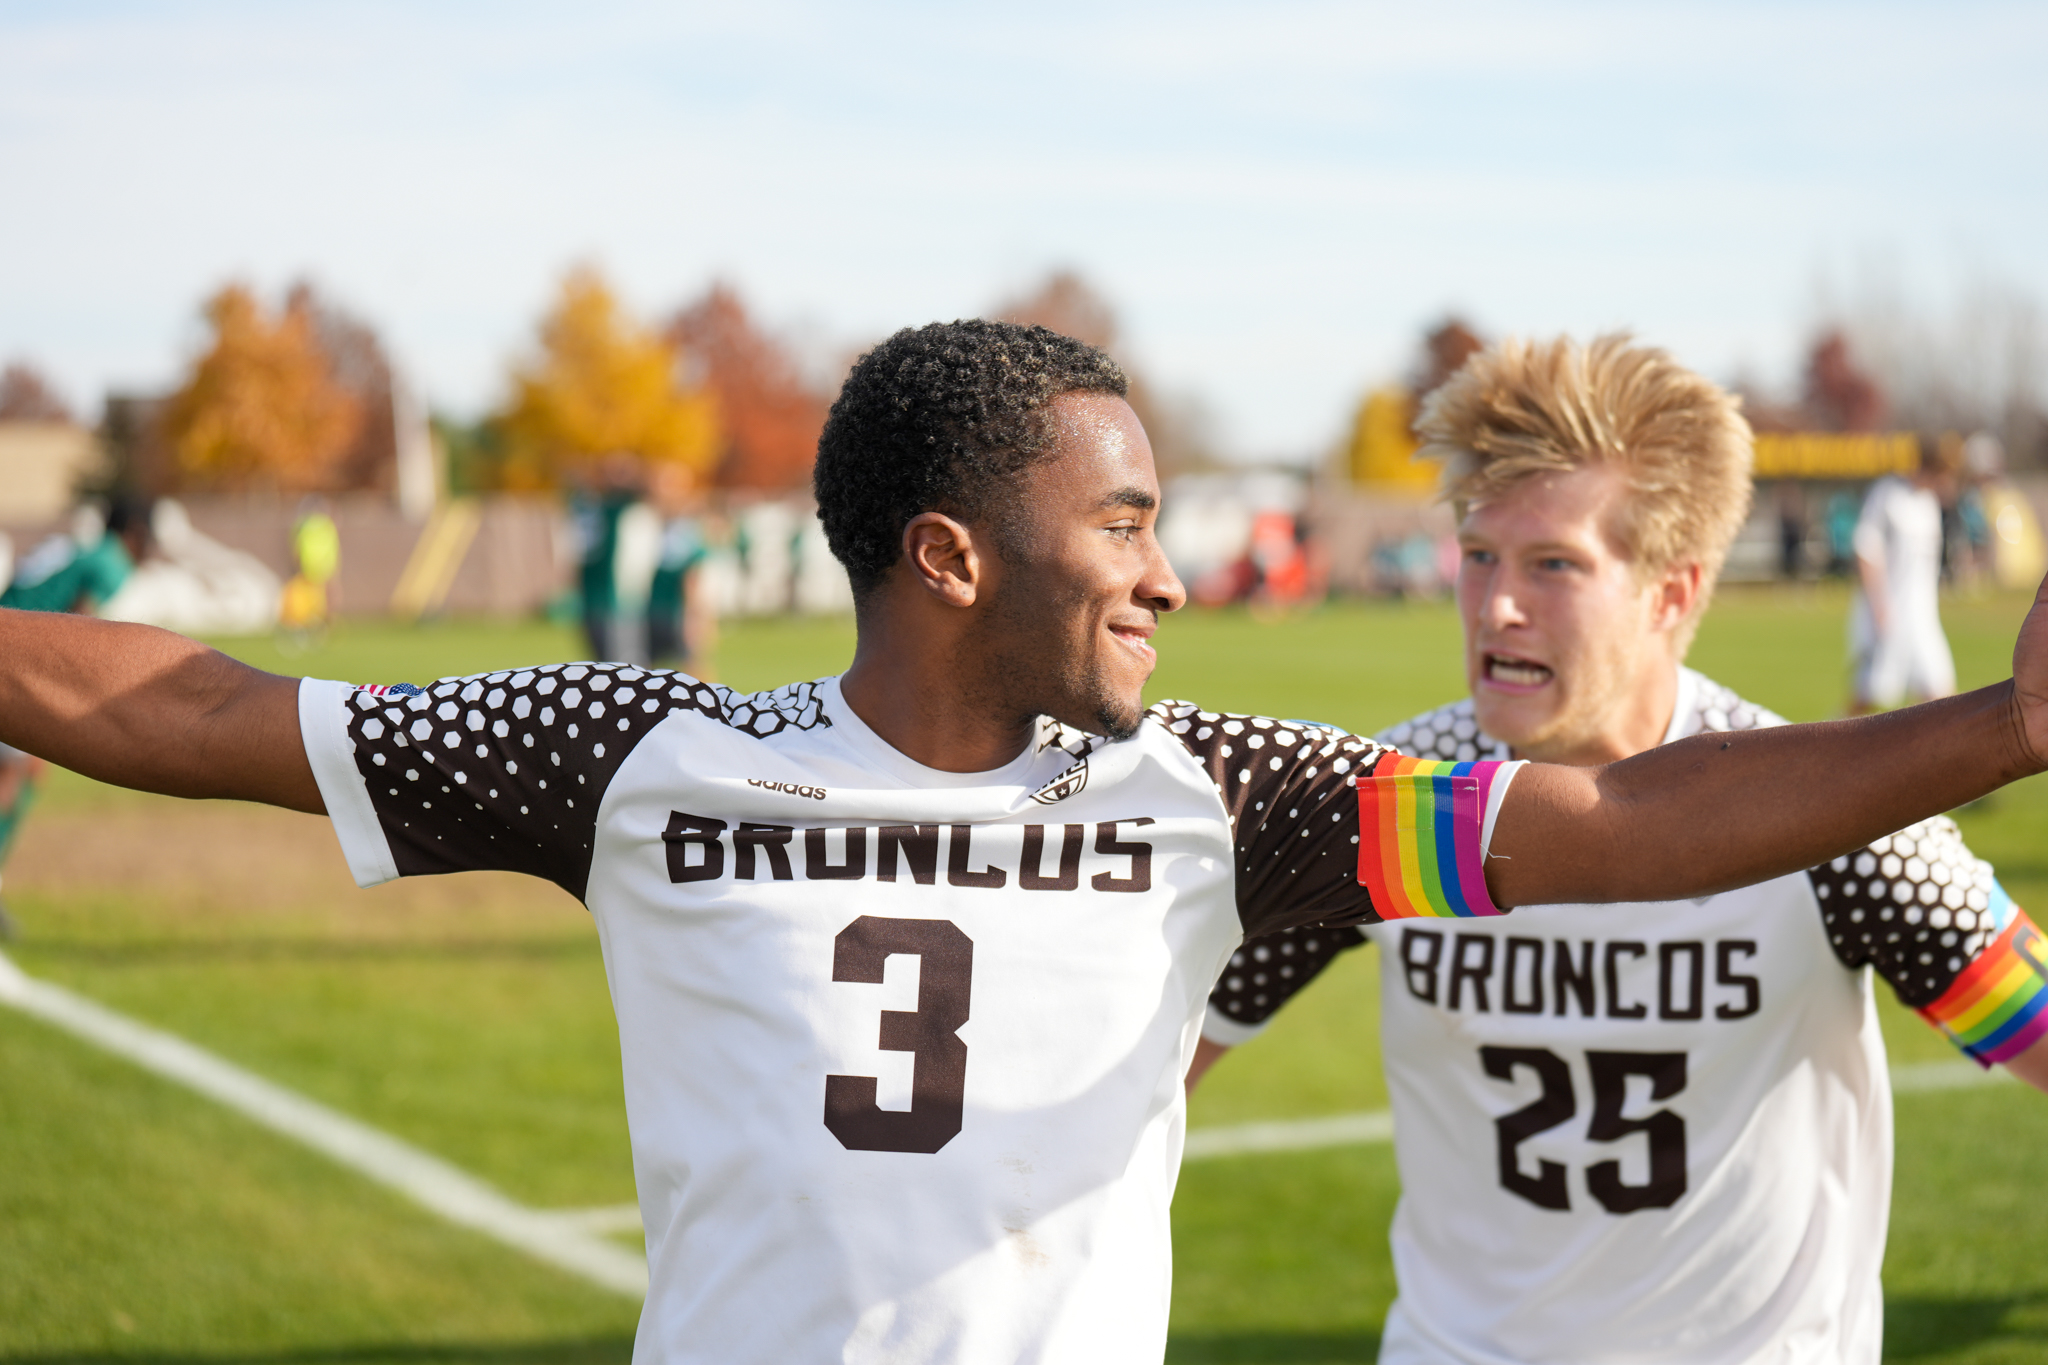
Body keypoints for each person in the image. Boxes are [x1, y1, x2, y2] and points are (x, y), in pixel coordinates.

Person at [4, 322, 2048, 1365]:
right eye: (1127, 523)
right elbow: (198, 712)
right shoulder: (640, 740)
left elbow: (1618, 820)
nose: (1169, 573)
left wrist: (2002, 727)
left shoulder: (1221, 791)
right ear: (956, 554)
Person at [1190, 335, 2048, 1365]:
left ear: (1672, 592)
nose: (1495, 604)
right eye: (1477, 553)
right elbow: (1154, 1057)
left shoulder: (1828, 816)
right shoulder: (1386, 799)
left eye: (1552, 563)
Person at [0, 496, 152, 937]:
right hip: (16, 664)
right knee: (12, 780)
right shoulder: (110, 562)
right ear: (135, 536)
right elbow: (80, 630)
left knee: (20, 780)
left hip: (12, 645)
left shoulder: (82, 549)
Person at [1850, 435, 1959, 712]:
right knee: (1869, 700)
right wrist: (1878, 604)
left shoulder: (1929, 505)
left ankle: (1925, 755)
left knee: (1942, 697)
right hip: (1890, 615)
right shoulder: (1888, 494)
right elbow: (1866, 549)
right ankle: (1826, 748)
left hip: (1923, 619)